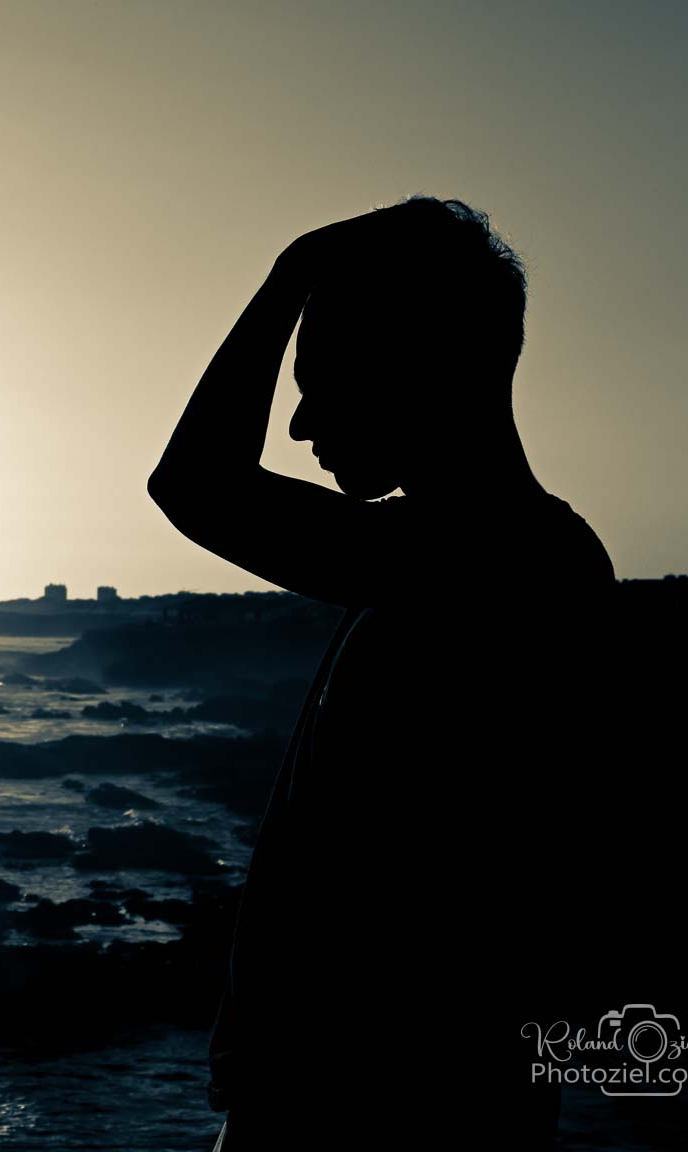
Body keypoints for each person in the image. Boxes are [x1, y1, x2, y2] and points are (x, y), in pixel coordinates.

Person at [148, 197, 617, 1149]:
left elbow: (194, 483)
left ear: (421, 367)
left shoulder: (502, 561)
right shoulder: (462, 557)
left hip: (382, 1107)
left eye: (322, 381)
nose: (299, 422)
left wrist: (291, 272)